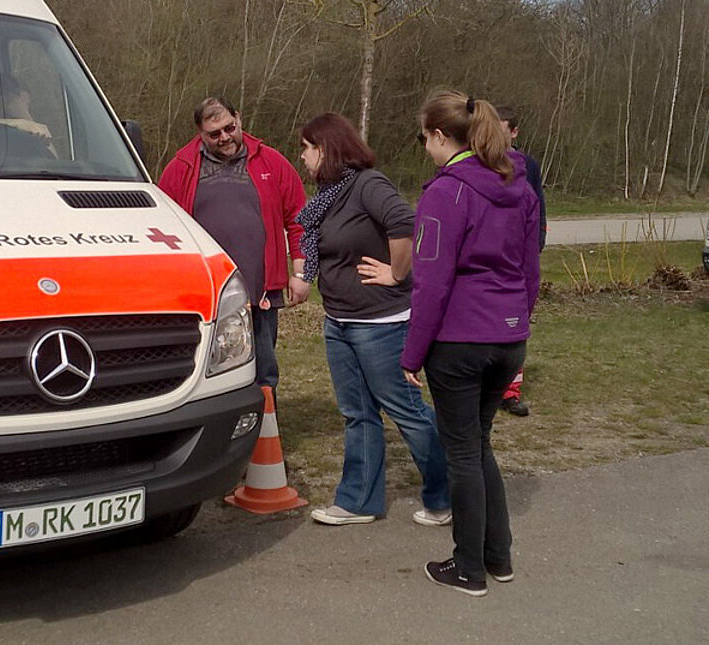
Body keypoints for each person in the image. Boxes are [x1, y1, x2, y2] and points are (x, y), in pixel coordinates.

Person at [401, 91, 540, 597]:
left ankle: (468, 567)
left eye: (424, 138)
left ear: (441, 136)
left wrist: (412, 353)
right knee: (479, 444)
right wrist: (517, 321)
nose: (425, 148)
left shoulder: (447, 192)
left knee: (462, 452)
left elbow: (431, 282)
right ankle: (497, 556)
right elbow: (531, 268)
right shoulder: (518, 185)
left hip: (460, 339)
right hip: (508, 335)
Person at [295, 112, 449, 527]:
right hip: (339, 321)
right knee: (357, 413)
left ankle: (448, 495)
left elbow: (405, 222)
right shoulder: (328, 195)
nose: (302, 156)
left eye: (307, 148)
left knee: (407, 412)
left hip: (381, 324)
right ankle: (358, 501)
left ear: (327, 148)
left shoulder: (367, 184)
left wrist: (397, 273)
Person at [158, 97, 309, 390]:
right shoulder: (181, 168)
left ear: (238, 118)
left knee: (264, 371)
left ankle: (265, 419)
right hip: (204, 293)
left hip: (260, 290)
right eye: (214, 133)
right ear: (200, 133)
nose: (224, 137)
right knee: (206, 373)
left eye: (229, 128)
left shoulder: (271, 161)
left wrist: (301, 273)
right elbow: (162, 226)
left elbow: (300, 220)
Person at [495, 104, 547, 417]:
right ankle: (485, 387)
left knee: (515, 325)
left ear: (514, 132)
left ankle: (510, 392)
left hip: (518, 261)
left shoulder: (529, 166)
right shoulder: (477, 162)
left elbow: (538, 207)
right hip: (491, 259)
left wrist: (537, 241)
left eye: (501, 129)